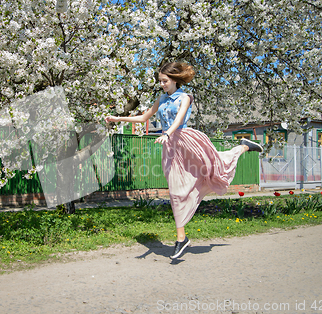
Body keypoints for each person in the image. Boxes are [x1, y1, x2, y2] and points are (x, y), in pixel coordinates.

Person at [105, 62, 262, 259]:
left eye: (165, 81)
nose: (161, 84)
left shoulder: (185, 97)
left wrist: (168, 134)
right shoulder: (161, 99)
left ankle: (244, 147)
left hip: (186, 140)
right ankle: (182, 239)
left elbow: (179, 120)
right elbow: (144, 117)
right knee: (176, 191)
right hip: (171, 148)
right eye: (160, 81)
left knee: (216, 166)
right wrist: (118, 119)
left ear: (175, 80)